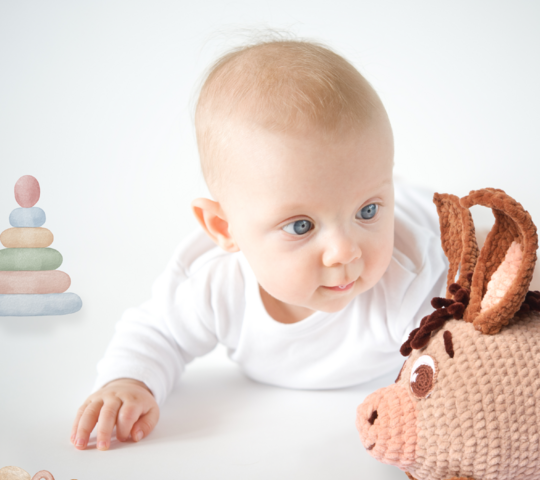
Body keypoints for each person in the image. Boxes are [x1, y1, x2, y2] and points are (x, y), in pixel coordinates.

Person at [70, 39, 447, 451]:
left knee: (474, 241)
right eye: (302, 225)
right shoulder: (214, 284)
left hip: (425, 212)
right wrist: (128, 382)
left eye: (368, 211)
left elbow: (457, 351)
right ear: (224, 228)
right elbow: (159, 332)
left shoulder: (412, 277)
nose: (344, 250)